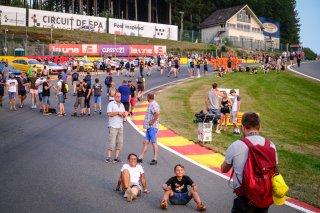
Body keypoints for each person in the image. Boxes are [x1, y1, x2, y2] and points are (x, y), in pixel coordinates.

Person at [220, 112, 277, 213]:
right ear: (259, 128)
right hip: (263, 196)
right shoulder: (271, 145)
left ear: (243, 127)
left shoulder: (236, 145)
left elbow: (223, 169)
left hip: (243, 197)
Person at [137, 93, 160, 165]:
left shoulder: (153, 104)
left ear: (148, 98)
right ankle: (141, 157)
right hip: (149, 127)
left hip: (152, 127)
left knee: (154, 142)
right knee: (146, 142)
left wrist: (153, 121)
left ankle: (155, 159)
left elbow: (157, 113)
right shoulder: (152, 104)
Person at [106, 92, 127, 163]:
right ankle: (109, 157)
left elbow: (123, 114)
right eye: (117, 96)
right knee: (112, 142)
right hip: (113, 125)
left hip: (120, 125)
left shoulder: (122, 105)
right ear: (114, 97)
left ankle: (116, 157)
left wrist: (125, 114)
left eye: (120, 96)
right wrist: (118, 113)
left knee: (120, 142)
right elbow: (109, 114)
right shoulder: (111, 104)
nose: (119, 97)